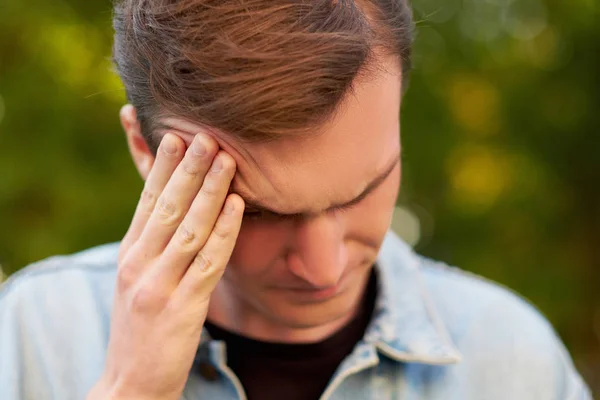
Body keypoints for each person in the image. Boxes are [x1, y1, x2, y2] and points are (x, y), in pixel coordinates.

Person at [0, 0, 592, 399]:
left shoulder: (512, 360)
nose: (323, 267)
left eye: (365, 189)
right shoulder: (32, 337)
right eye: (258, 213)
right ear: (144, 150)